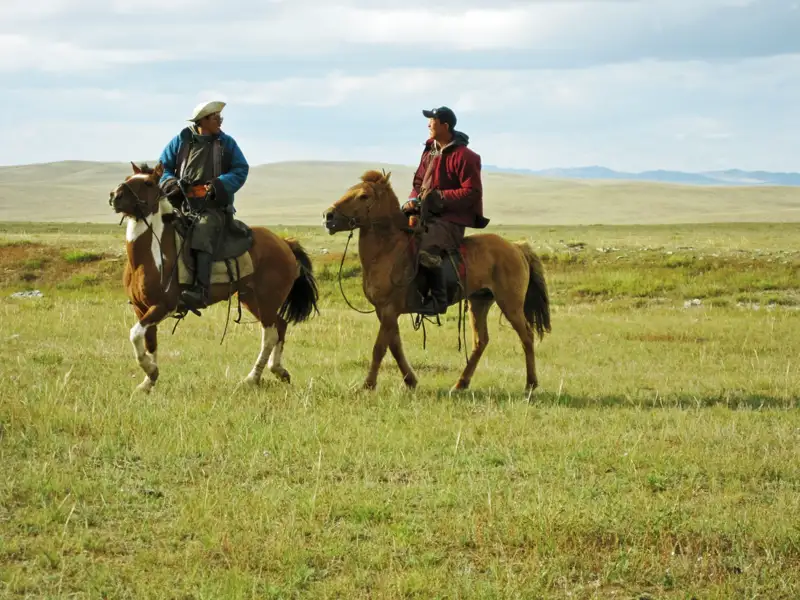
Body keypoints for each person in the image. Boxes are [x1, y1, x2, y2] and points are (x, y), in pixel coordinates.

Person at [158, 100, 249, 309]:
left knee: (202, 230)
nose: (220, 122)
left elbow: (240, 169)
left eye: (220, 118)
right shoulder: (180, 142)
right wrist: (173, 183)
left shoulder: (227, 143)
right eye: (217, 118)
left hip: (213, 208)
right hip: (181, 206)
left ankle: (200, 291)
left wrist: (218, 185)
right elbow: (163, 168)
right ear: (203, 120)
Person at [402, 106, 489, 315]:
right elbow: (418, 182)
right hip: (425, 214)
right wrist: (413, 200)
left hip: (452, 220)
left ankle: (439, 300)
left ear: (445, 125)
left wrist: (439, 198)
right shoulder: (430, 150)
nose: (428, 125)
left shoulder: (466, 157)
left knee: (425, 247)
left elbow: (472, 192)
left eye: (432, 121)